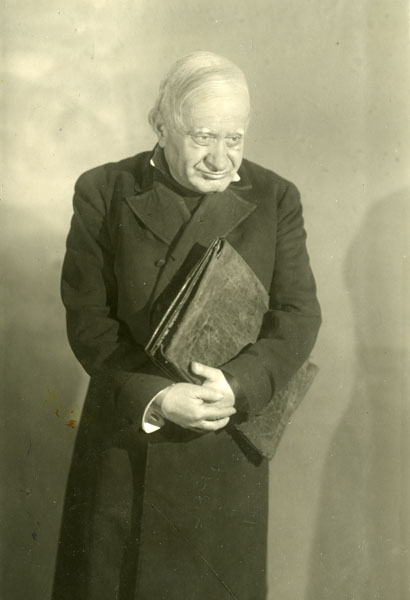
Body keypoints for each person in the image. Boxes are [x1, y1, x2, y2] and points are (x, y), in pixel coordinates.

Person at [52, 51, 321, 600]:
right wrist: (155, 396)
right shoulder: (103, 191)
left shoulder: (276, 198)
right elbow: (88, 320)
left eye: (234, 138)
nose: (221, 158)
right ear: (161, 125)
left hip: (222, 452)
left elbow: (298, 315)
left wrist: (239, 385)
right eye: (203, 137)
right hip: (128, 438)